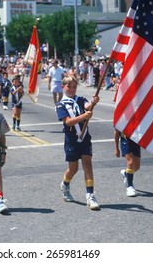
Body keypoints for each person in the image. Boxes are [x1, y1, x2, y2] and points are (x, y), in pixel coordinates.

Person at [56, 75, 100, 210]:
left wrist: (93, 103)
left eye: (74, 87)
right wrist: (83, 116)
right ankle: (65, 183)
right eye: (68, 86)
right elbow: (68, 121)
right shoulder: (61, 105)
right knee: (73, 168)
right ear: (63, 87)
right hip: (72, 140)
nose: (71, 89)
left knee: (87, 164)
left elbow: (88, 106)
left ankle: (90, 195)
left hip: (85, 138)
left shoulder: (80, 100)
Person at [114, 129, 141, 197]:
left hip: (136, 141)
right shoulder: (121, 119)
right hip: (126, 141)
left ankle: (126, 173)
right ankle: (130, 187)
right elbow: (116, 132)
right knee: (130, 162)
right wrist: (116, 148)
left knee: (136, 167)